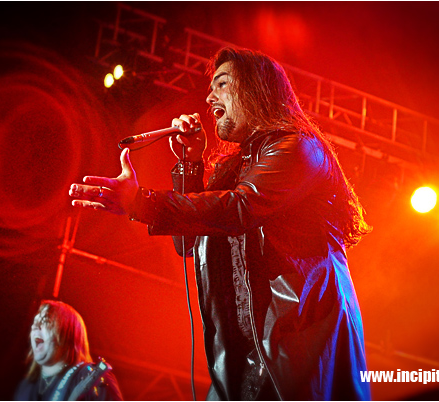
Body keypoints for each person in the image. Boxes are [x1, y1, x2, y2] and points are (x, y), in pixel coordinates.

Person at [69, 47, 372, 400]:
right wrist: (190, 163)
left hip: (297, 351)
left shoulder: (298, 148)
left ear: (256, 89)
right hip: (241, 359)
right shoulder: (234, 168)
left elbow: (240, 208)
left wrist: (140, 201)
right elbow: (188, 242)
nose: (209, 97)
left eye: (222, 84)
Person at [14, 300, 123, 401]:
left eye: (46, 321)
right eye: (35, 322)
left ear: (67, 334)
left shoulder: (92, 377)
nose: (35, 327)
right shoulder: (27, 386)